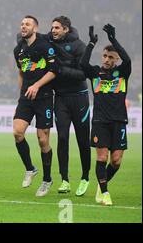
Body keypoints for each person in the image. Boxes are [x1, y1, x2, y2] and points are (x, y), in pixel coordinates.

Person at [80, 24, 131, 206]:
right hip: (100, 122)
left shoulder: (122, 73)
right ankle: (105, 192)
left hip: (119, 122)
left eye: (111, 57)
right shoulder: (95, 73)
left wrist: (113, 41)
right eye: (105, 56)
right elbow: (82, 64)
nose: (107, 59)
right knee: (101, 158)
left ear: (116, 60)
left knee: (116, 161)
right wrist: (91, 44)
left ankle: (102, 183)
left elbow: (128, 61)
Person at [13, 15, 57, 197]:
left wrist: (37, 85)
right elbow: (22, 72)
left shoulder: (45, 46)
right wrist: (21, 93)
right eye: (22, 23)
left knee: (43, 140)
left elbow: (55, 70)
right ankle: (30, 168)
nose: (24, 26)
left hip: (44, 97)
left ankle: (47, 180)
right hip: (26, 98)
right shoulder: (18, 50)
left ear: (35, 28)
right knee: (17, 132)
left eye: (27, 24)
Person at [49, 16, 91, 196]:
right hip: (60, 99)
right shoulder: (50, 41)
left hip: (79, 98)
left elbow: (83, 74)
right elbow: (22, 37)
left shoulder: (79, 46)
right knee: (63, 138)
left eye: (57, 28)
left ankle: (85, 177)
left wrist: (60, 70)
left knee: (83, 140)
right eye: (52, 28)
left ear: (66, 29)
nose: (53, 31)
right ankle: (64, 180)